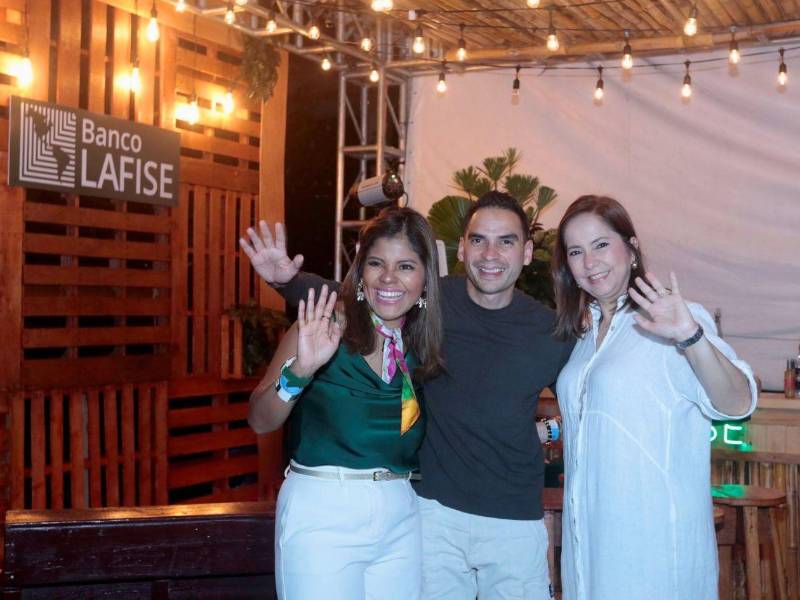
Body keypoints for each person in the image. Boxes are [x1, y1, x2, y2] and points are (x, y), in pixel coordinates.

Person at [243, 191, 574, 600]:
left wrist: (547, 433)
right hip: (426, 515)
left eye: (505, 241)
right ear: (461, 249)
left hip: (495, 518)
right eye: (478, 240)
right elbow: (361, 292)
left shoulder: (550, 330)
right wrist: (285, 281)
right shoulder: (427, 308)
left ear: (526, 252)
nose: (490, 254)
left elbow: (591, 403)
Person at [551, 195, 757, 600]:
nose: (590, 262)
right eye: (576, 251)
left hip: (654, 557)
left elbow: (738, 402)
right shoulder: (583, 338)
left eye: (601, 244)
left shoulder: (671, 320)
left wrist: (690, 336)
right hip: (587, 554)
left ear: (632, 248)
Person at [243, 206, 444, 600]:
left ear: (425, 279)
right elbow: (260, 420)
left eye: (405, 266)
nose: (388, 278)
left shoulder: (420, 346)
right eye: (376, 263)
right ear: (361, 272)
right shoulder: (323, 325)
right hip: (323, 512)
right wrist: (299, 372)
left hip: (401, 513)